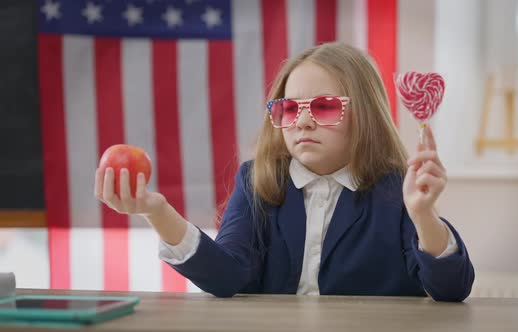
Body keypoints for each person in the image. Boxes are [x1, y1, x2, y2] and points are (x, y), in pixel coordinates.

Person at [94, 42, 474, 301]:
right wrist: (157, 212)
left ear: (367, 117)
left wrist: (424, 216)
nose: (302, 122)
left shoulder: (396, 190)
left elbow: (452, 288)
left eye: (325, 107)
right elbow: (226, 276)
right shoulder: (256, 181)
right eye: (290, 109)